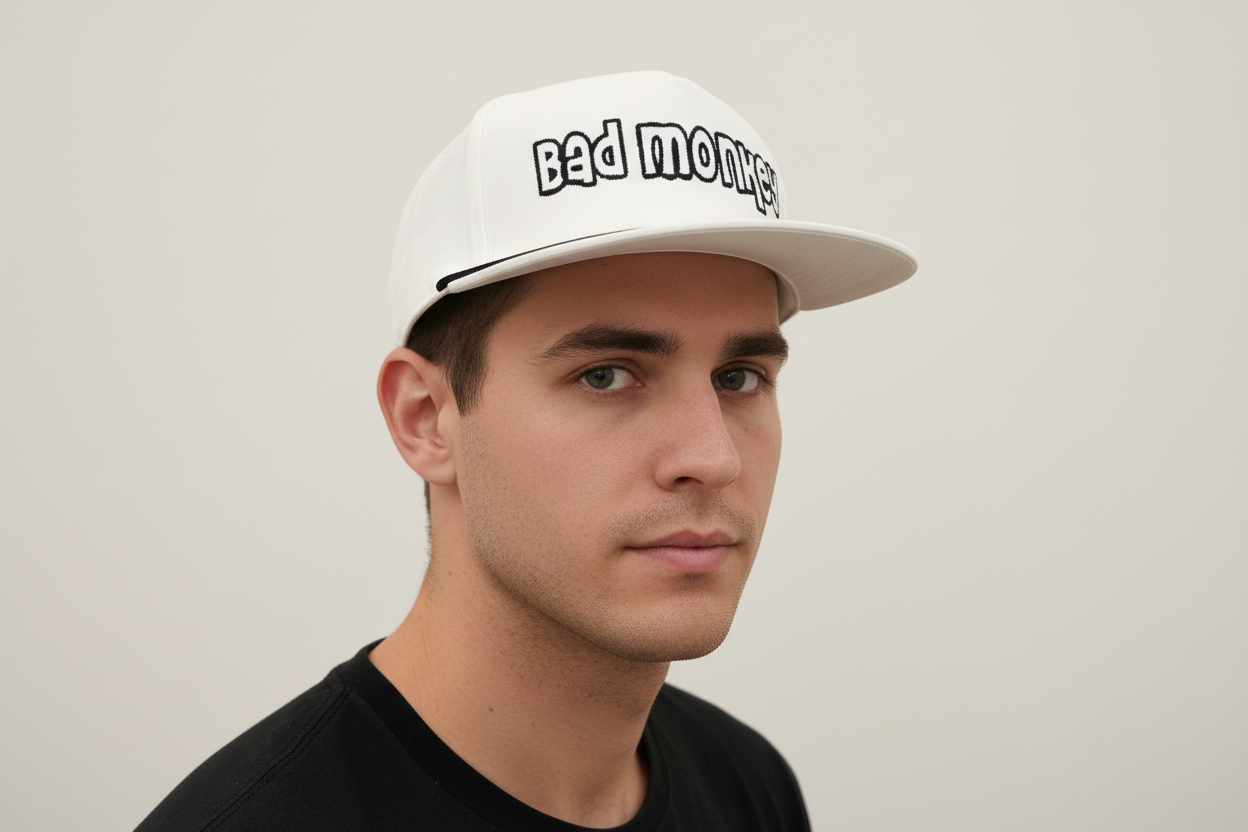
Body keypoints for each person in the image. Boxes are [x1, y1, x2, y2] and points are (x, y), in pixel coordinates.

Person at [136, 71, 916, 831]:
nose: (713, 458)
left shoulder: (747, 783)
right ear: (426, 419)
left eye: (739, 377)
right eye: (606, 375)